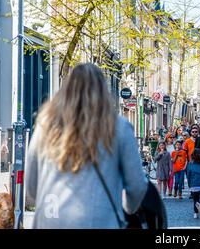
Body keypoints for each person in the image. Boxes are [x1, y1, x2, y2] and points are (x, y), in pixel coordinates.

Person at [25, 63, 148, 228]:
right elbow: (137, 185)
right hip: (99, 221)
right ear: (103, 92)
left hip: (50, 220)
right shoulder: (119, 127)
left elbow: (31, 186)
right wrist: (125, 209)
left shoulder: (46, 125)